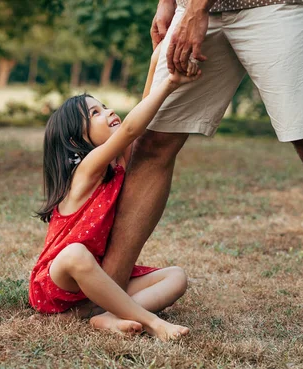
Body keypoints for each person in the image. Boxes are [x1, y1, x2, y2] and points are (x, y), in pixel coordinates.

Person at [100, 0, 303, 359]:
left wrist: (195, 9)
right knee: (153, 142)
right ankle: (105, 295)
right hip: (195, 7)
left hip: (277, 6)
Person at [28, 48, 200, 341]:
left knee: (176, 277)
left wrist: (154, 62)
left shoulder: (118, 165)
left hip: (99, 279)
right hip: (61, 279)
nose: (108, 112)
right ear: (75, 139)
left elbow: (139, 124)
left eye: (104, 106)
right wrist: (169, 83)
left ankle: (105, 316)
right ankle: (151, 322)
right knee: (75, 253)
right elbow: (133, 128)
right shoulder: (86, 170)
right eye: (95, 113)